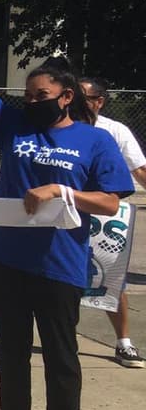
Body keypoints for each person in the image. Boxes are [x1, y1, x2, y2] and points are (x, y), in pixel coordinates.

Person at [0, 13, 131, 410]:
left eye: (42, 96)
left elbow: (111, 202)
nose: (32, 101)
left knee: (59, 353)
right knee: (10, 350)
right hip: (7, 257)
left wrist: (61, 191)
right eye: (28, 95)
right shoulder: (15, 128)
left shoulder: (95, 142)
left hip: (58, 263)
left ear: (67, 97)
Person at [79, 77, 146, 368]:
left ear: (99, 101)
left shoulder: (115, 130)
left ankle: (124, 342)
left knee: (111, 277)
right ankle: (62, 336)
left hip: (106, 216)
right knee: (63, 278)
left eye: (84, 98)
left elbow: (139, 169)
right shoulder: (60, 127)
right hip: (68, 210)